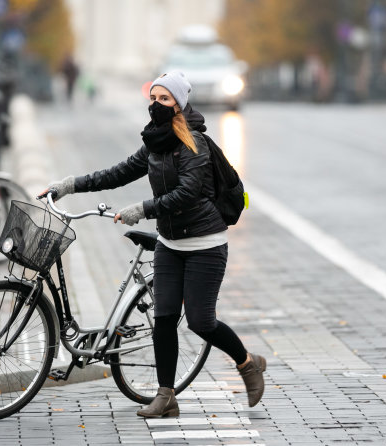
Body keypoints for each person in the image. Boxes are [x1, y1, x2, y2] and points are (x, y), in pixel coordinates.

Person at [42, 71, 266, 418]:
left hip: (205, 243)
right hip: (170, 242)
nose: (157, 105)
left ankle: (248, 363)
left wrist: (143, 209)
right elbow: (117, 173)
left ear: (179, 103)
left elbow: (189, 192)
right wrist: (70, 185)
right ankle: (166, 396)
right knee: (163, 319)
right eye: (153, 98)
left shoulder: (195, 142)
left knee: (201, 322)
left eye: (164, 99)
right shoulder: (154, 142)